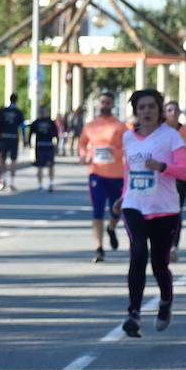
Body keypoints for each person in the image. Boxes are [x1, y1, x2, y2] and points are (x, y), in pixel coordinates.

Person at [113, 89, 186, 337]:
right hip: (135, 205)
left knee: (159, 264)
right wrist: (123, 196)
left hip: (165, 208)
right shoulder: (128, 138)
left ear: (159, 110)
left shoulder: (171, 137)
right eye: (142, 107)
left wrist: (163, 167)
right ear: (136, 111)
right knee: (137, 253)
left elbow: (185, 172)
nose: (146, 111)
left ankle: (166, 301)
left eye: (151, 107)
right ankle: (133, 313)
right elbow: (129, 172)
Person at [79, 92, 126, 263]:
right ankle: (99, 248)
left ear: (113, 105)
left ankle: (111, 229)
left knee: (116, 209)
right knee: (97, 210)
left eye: (108, 102)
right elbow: (82, 143)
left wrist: (116, 152)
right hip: (96, 174)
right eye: (102, 102)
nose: (105, 105)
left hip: (117, 174)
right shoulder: (90, 126)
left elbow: (129, 146)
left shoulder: (120, 126)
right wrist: (83, 155)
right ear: (99, 105)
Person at [162, 100, 186, 260]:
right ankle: (160, 242)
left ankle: (173, 245)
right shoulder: (159, 130)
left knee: (176, 209)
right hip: (163, 174)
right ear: (164, 112)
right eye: (170, 109)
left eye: (176, 109)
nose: (173, 112)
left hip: (181, 175)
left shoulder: (185, 130)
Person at [0, 93, 26, 190]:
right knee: (13, 160)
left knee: (3, 159)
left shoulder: (3, 111)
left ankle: (3, 180)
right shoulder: (18, 112)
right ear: (16, 100)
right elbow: (22, 127)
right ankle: (12, 183)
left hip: (4, 137)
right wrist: (25, 138)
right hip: (14, 137)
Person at [27, 106, 59, 191]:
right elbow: (31, 134)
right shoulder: (36, 122)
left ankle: (51, 183)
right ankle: (40, 184)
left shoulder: (51, 122)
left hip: (49, 145)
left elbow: (56, 135)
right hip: (40, 146)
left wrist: (56, 145)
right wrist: (30, 146)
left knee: (51, 165)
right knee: (40, 166)